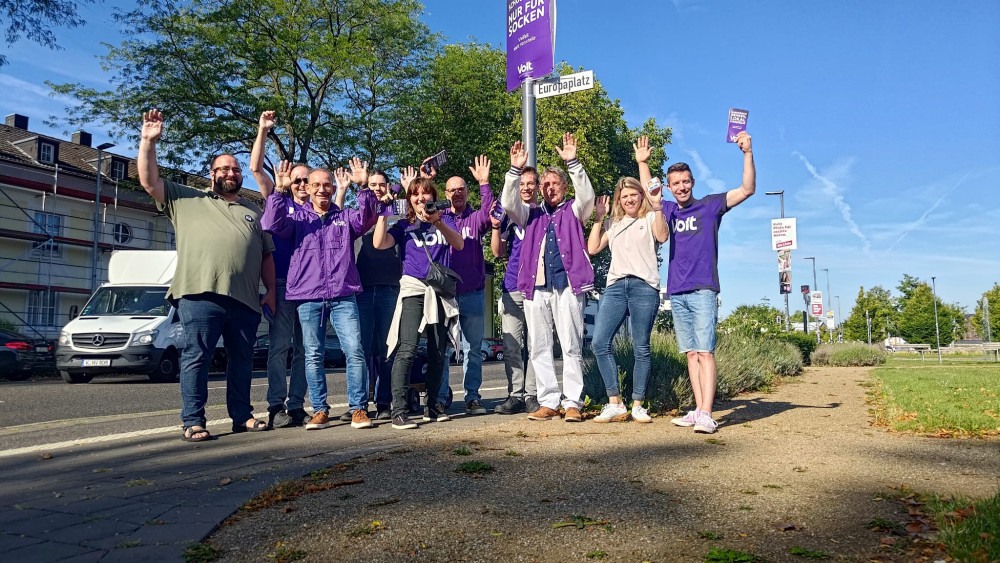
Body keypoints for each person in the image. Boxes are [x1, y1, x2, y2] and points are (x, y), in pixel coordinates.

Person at [137, 109, 276, 442]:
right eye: (224, 168)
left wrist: (270, 289)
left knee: (242, 359)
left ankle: (241, 416)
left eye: (235, 168)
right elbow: (148, 181)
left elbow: (267, 254)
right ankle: (193, 420)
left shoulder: (254, 211)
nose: (230, 172)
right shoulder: (186, 198)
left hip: (244, 298)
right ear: (211, 173)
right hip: (199, 293)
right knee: (196, 355)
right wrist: (148, 142)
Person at [638, 131, 755, 434]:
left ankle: (707, 412)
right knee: (691, 353)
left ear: (692, 182)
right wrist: (643, 163)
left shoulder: (709, 206)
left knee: (705, 351)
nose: (681, 187)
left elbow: (747, 189)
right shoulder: (665, 209)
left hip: (703, 288)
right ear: (669, 186)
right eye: (675, 183)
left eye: (685, 181)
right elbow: (658, 226)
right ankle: (698, 409)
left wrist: (747, 152)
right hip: (677, 291)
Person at [262, 160, 379, 430]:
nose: (322, 190)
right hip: (308, 295)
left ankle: (359, 409)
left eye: (327, 185)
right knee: (313, 354)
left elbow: (369, 217)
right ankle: (320, 410)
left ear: (333, 187)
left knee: (354, 351)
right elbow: (269, 222)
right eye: (316, 185)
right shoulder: (297, 219)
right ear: (309, 189)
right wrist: (279, 192)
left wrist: (363, 187)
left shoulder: (345, 217)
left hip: (343, 294)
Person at [501, 134, 595, 423]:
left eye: (555, 183)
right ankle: (548, 401)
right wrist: (515, 171)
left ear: (564, 187)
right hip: (535, 288)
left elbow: (588, 197)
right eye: (546, 184)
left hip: (569, 285)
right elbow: (507, 203)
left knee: (570, 345)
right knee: (539, 347)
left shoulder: (574, 210)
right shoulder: (530, 214)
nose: (550, 188)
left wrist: (573, 163)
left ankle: (573, 402)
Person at [374, 175, 464, 430]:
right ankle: (399, 409)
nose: (420, 198)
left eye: (425, 194)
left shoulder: (444, 219)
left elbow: (458, 244)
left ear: (433, 198)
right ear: (409, 199)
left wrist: (437, 222)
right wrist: (383, 214)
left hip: (438, 291)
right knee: (408, 348)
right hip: (413, 288)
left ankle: (433, 405)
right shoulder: (404, 226)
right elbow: (379, 243)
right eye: (414, 195)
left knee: (438, 351)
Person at [588, 142, 669, 423]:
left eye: (634, 195)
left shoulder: (650, 217)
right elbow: (594, 248)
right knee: (599, 343)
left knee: (641, 347)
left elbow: (662, 237)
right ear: (619, 200)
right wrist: (599, 219)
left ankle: (638, 404)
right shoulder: (614, 223)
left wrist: (655, 202)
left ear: (641, 197)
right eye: (625, 196)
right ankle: (615, 402)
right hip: (615, 288)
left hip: (644, 287)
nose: (630, 200)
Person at [249, 110, 309, 429]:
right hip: (283, 284)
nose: (300, 184)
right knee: (279, 347)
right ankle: (276, 405)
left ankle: (297, 404)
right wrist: (263, 130)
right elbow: (255, 168)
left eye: (305, 180)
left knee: (305, 349)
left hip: (310, 287)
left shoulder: (316, 208)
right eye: (295, 179)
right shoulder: (277, 198)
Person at [436, 156, 494, 415]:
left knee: (472, 349)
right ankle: (439, 397)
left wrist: (484, 183)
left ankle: (472, 397)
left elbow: (492, 213)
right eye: (452, 190)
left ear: (467, 192)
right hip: (445, 293)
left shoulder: (475, 218)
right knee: (443, 348)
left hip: (473, 292)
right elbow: (414, 205)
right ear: (445, 194)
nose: (457, 193)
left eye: (461, 189)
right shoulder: (439, 217)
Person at [351, 168, 403, 421]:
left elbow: (409, 205)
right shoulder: (357, 215)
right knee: (359, 350)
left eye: (382, 184)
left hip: (389, 289)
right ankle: (358, 405)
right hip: (361, 290)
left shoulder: (397, 215)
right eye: (372, 185)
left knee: (387, 349)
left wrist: (401, 190)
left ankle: (384, 402)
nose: (377, 188)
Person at [491, 166, 540, 415]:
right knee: (511, 346)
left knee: (536, 345)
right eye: (522, 184)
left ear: (538, 186)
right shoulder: (509, 213)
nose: (526, 188)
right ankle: (515, 395)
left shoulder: (543, 214)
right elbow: (498, 253)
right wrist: (496, 227)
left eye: (530, 183)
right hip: (512, 286)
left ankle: (532, 394)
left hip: (538, 288)